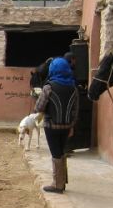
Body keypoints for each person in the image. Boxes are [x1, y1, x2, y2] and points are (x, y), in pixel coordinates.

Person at [34, 56, 79, 193]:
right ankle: (62, 181)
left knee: (56, 154)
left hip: (51, 126)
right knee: (61, 152)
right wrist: (71, 125)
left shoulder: (48, 87)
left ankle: (57, 184)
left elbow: (39, 108)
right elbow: (75, 111)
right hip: (66, 127)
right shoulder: (73, 88)